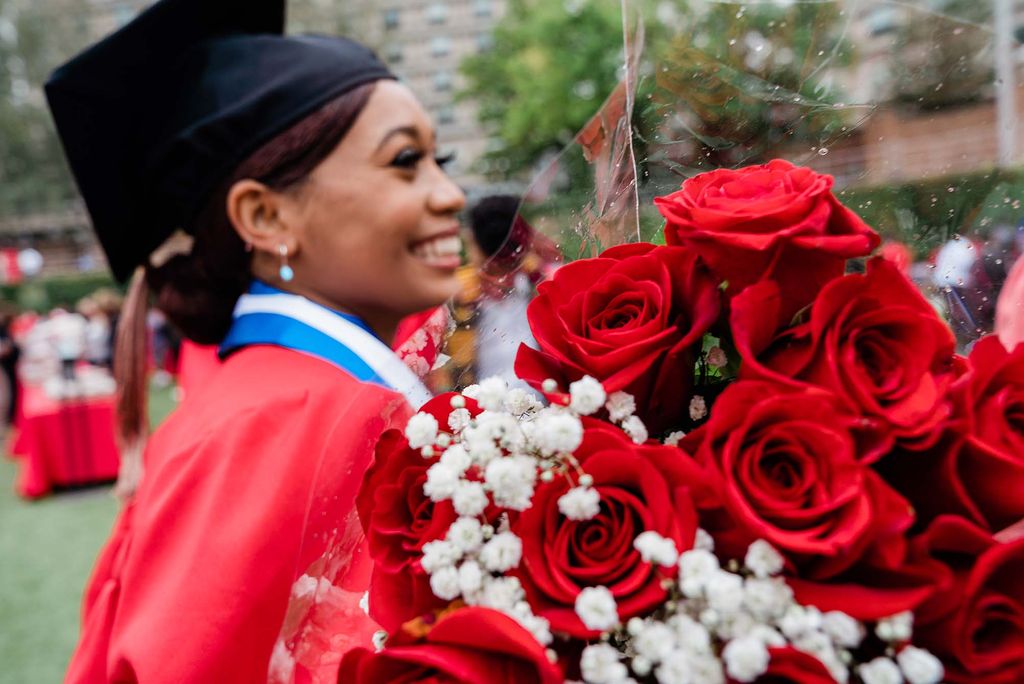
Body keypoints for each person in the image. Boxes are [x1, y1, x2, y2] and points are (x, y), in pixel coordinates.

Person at [46, 0, 464, 680]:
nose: (450, 195)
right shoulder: (295, 420)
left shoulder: (289, 399)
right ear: (265, 217)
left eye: (438, 158)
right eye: (406, 161)